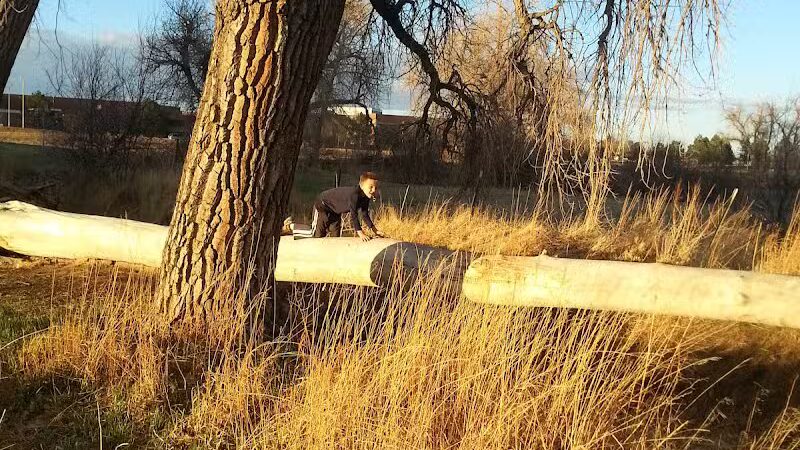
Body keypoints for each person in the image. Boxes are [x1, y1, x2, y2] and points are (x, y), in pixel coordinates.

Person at [290, 172, 385, 241]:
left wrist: (375, 230)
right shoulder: (354, 194)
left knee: (335, 239)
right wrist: (360, 233)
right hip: (323, 205)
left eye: (376, 188)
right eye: (371, 187)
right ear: (362, 185)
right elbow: (354, 214)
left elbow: (364, 214)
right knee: (316, 235)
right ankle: (291, 227)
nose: (373, 190)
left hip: (335, 211)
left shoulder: (366, 197)